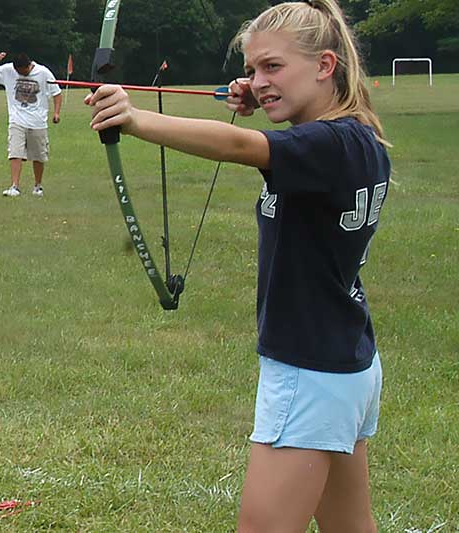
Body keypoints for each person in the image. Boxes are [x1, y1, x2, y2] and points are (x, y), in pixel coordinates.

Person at [84, 1, 388, 530]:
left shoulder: (323, 144)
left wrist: (133, 119)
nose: (257, 81)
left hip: (309, 368)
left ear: (324, 67)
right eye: (251, 70)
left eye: (273, 67)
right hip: (346, 360)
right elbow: (287, 141)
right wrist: (273, 97)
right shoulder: (354, 135)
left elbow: (239, 144)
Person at [0, 52, 62, 197]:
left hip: (38, 121)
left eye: (24, 71)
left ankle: (38, 186)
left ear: (29, 65)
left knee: (39, 156)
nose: (21, 74)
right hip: (16, 120)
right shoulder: (9, 70)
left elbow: (57, 94)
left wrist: (56, 113)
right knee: (15, 153)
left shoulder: (44, 72)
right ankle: (15, 186)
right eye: (18, 72)